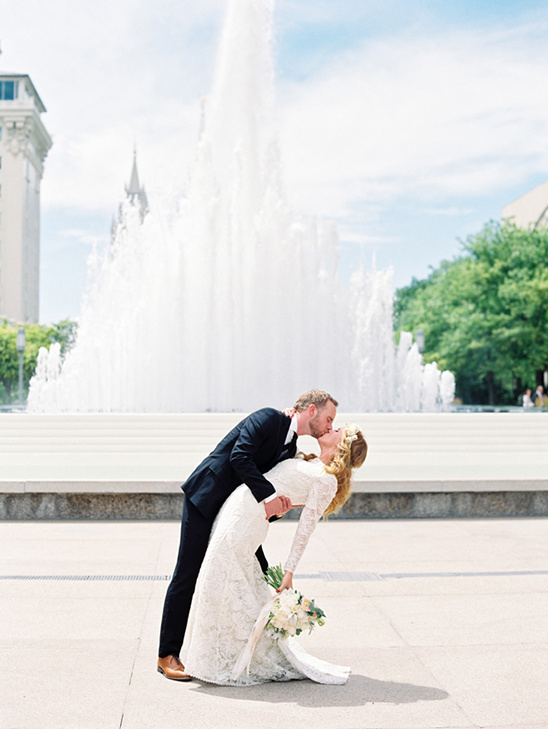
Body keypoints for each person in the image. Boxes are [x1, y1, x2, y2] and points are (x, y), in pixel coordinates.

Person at [158, 389, 338, 681]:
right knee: (188, 573)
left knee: (260, 574)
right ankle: (167, 654)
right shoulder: (268, 418)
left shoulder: (290, 446)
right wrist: (269, 498)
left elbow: (271, 487)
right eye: (329, 418)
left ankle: (239, 650)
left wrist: (277, 507)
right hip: (206, 498)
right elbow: (240, 457)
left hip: (236, 514)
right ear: (313, 411)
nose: (330, 426)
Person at [180, 423, 367, 686]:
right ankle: (226, 654)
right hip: (237, 508)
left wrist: (289, 572)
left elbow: (305, 529)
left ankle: (217, 659)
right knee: (223, 579)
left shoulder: (325, 480)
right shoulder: (305, 459)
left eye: (337, 429)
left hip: (247, 521)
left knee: (219, 576)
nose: (329, 428)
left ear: (342, 445)